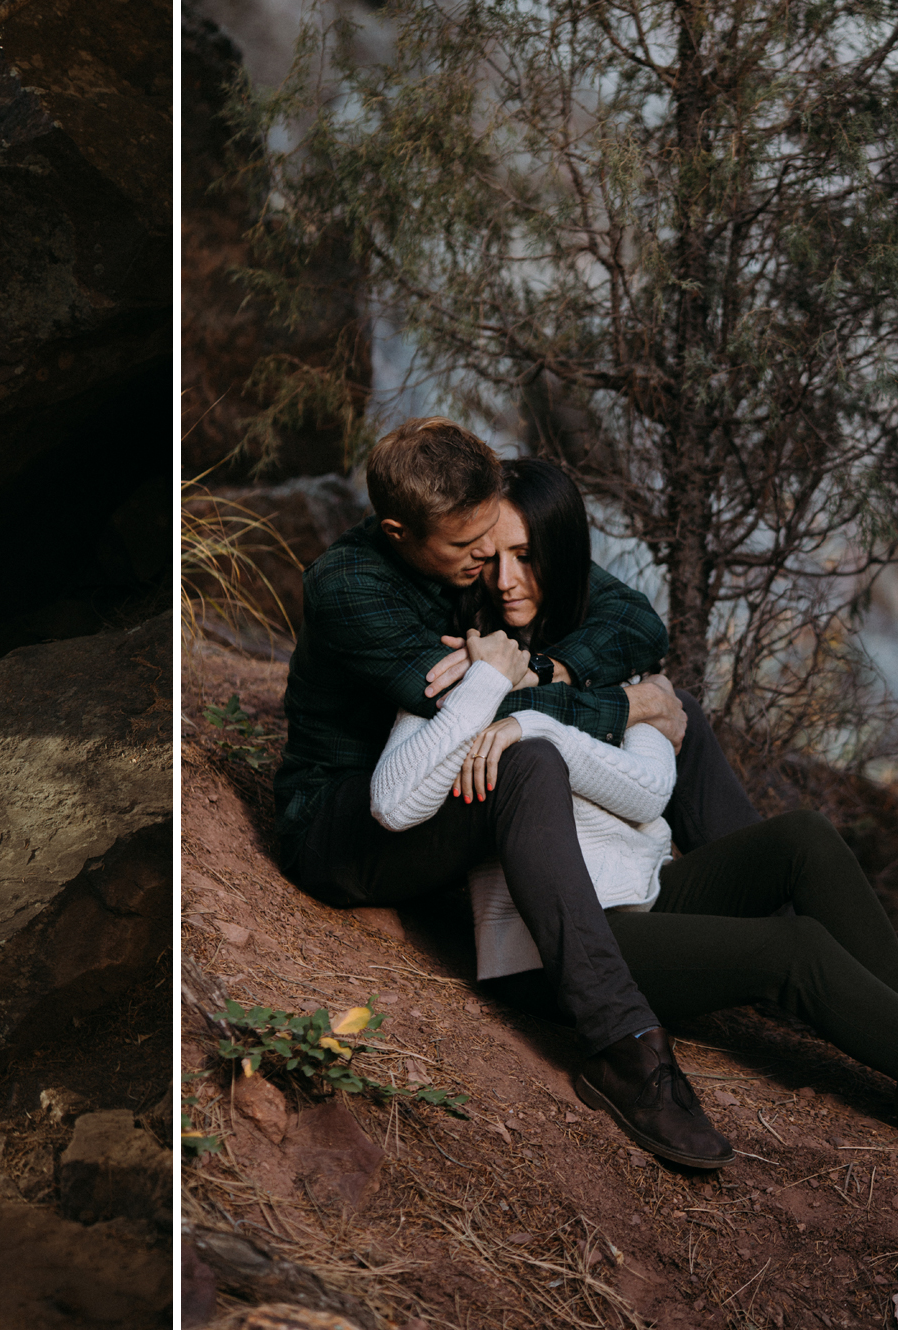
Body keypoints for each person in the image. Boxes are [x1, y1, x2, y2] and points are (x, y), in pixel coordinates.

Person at [367, 455, 898, 1179]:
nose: (507, 579)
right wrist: (490, 703)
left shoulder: (608, 654)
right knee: (794, 948)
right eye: (491, 558)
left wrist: (545, 719)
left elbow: (649, 791)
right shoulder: (468, 660)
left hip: (643, 904)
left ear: (566, 553)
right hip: (554, 949)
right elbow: (400, 789)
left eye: (528, 555)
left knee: (803, 838)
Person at [276, 417, 736, 1164]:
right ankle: (626, 1050)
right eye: (469, 548)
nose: (489, 560)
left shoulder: (469, 551)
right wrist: (624, 705)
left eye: (493, 537)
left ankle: (766, 899)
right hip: (344, 823)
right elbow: (475, 710)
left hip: (437, 802)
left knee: (685, 717)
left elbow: (633, 622)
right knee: (531, 760)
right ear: (398, 530)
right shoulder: (353, 587)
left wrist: (553, 672)